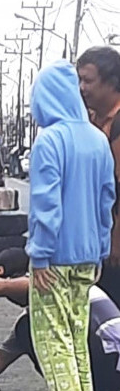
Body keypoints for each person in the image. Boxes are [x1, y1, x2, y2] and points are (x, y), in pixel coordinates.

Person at [21, 60, 115, 391]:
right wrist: (102, 250)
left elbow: (46, 203)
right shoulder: (96, 139)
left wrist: (38, 253)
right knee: (77, 332)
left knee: (51, 333)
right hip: (88, 255)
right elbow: (107, 199)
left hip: (55, 256)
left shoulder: (50, 140)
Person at [0, 249, 120, 391]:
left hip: (108, 366)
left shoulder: (50, 280)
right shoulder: (44, 310)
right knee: (27, 328)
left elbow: (3, 287)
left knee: (28, 327)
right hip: (109, 369)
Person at [78, 47, 120, 307]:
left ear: (111, 82)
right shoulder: (91, 120)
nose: (82, 88)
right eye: (79, 80)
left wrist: (116, 241)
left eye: (88, 80)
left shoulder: (118, 123)